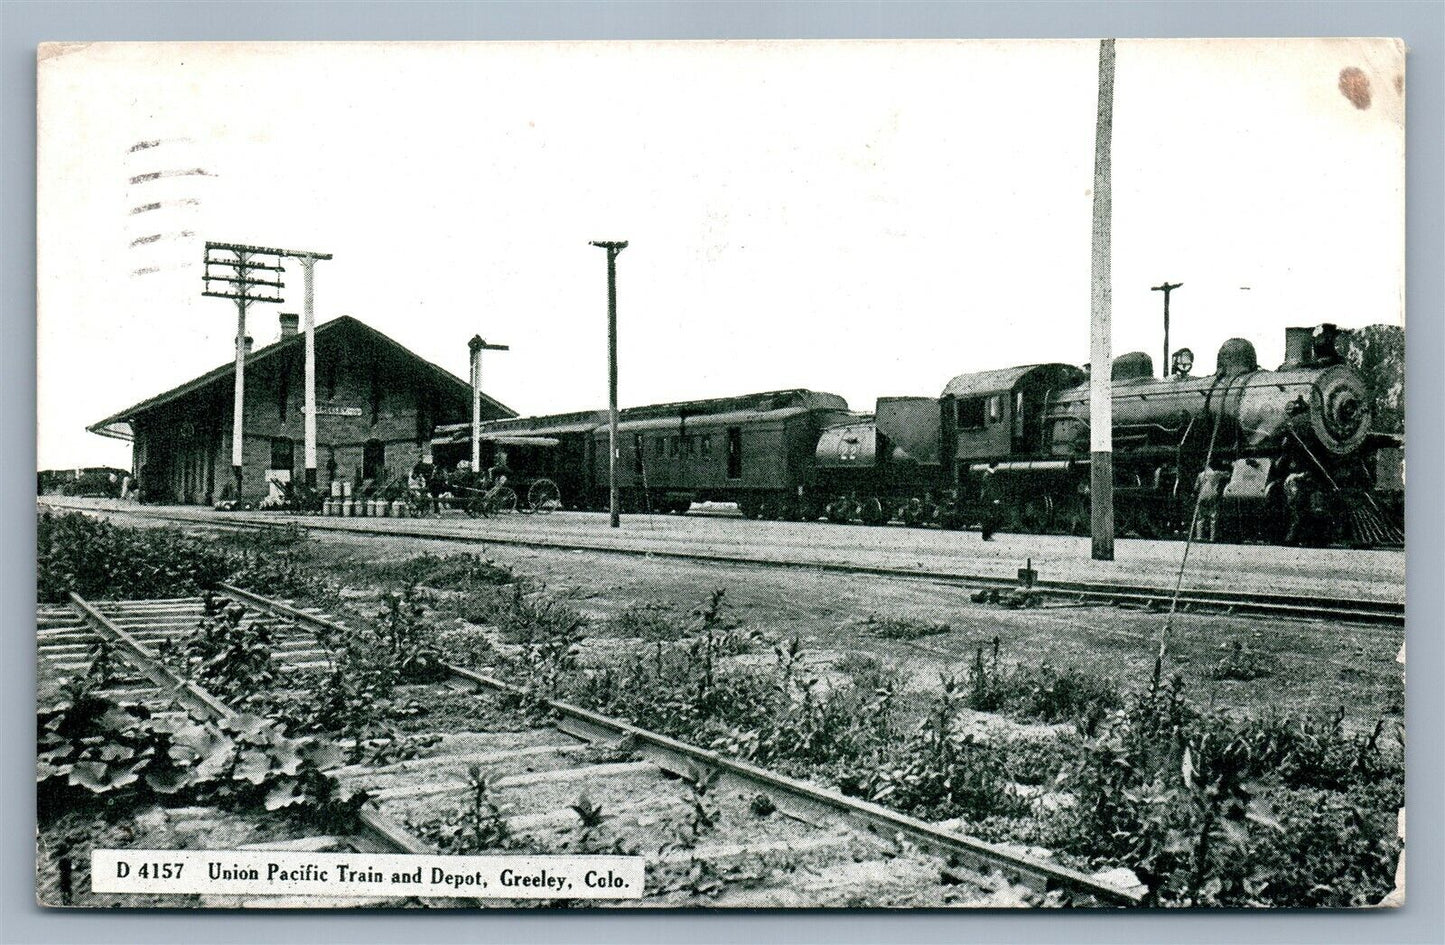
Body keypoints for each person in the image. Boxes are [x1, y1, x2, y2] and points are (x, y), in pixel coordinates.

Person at [1194, 463, 1231, 542]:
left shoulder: (1200, 475)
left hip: (1202, 496)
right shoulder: (1216, 473)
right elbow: (1228, 475)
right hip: (1212, 495)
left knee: (1200, 517)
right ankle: (1212, 537)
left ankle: (1199, 536)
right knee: (1213, 516)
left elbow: (1196, 487)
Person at [1283, 469, 1313, 545]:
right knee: (1297, 520)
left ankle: (1291, 539)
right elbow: (1295, 492)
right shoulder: (1294, 479)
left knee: (1295, 519)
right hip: (1295, 502)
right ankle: (1290, 539)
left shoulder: (1290, 477)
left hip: (1291, 500)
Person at [979, 467, 1001, 541]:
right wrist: (994, 498)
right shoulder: (988, 475)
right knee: (989, 517)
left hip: (986, 499)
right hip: (988, 499)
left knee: (988, 517)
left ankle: (987, 535)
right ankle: (986, 535)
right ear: (995, 466)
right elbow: (989, 488)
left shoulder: (987, 474)